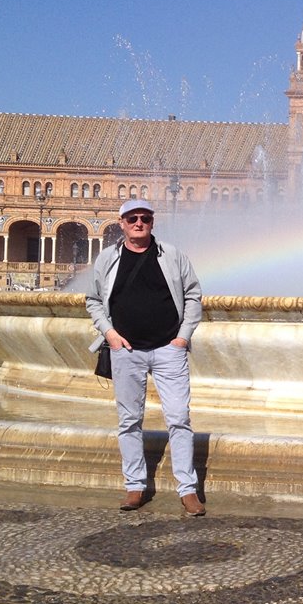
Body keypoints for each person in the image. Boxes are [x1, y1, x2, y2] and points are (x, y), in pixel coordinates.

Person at [86, 199, 205, 516]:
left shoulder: (172, 255)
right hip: (126, 349)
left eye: (145, 218)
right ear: (121, 223)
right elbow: (94, 300)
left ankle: (188, 490)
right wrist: (110, 334)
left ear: (153, 222)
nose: (139, 223)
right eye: (132, 218)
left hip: (169, 349)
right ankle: (135, 485)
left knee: (179, 417)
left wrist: (183, 337)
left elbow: (193, 294)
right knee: (129, 421)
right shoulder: (108, 259)